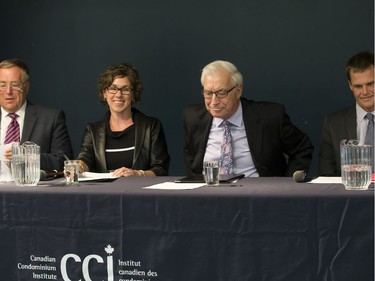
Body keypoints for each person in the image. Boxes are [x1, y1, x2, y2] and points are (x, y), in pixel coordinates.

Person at [183, 60, 313, 177]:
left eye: (221, 93)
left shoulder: (270, 116)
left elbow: (302, 147)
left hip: (258, 195)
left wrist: (289, 184)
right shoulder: (193, 117)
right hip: (209, 195)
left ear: (238, 91)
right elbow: (191, 154)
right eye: (208, 93)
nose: (214, 101)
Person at [76, 63, 170, 177]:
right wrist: (78, 167)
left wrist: (137, 174)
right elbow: (84, 159)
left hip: (139, 192)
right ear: (104, 93)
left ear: (133, 94)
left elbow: (161, 169)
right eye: (112, 88)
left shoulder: (151, 127)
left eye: (125, 89)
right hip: (104, 193)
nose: (118, 94)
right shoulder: (93, 130)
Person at [0, 58, 73, 171]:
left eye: (15, 85)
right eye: (2, 85)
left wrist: (30, 157)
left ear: (26, 87)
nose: (8, 91)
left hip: (33, 187)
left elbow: (64, 161)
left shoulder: (51, 118)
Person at [319, 51, 374, 176]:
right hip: (349, 194)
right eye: (358, 86)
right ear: (350, 86)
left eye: (370, 84)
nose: (365, 92)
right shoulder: (333, 124)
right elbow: (327, 176)